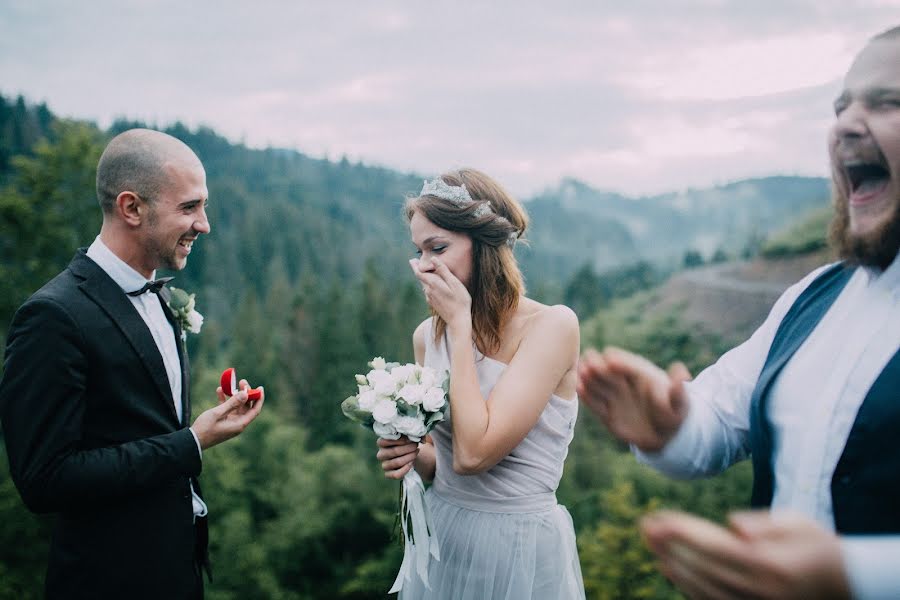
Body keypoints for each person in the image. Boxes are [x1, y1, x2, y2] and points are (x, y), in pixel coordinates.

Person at [577, 25, 900, 600]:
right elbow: (716, 420)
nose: (846, 124)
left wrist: (857, 578)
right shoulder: (812, 297)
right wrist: (669, 428)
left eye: (887, 103)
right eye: (842, 106)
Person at [0, 128, 264, 599]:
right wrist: (192, 442)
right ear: (131, 208)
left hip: (176, 571)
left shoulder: (162, 297)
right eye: (189, 207)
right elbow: (45, 480)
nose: (204, 224)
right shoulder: (53, 317)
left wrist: (202, 424)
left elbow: (138, 419)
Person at [375, 169, 585, 598]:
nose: (425, 266)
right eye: (418, 251)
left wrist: (459, 325)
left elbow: (474, 454)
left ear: (484, 245)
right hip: (444, 540)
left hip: (519, 552)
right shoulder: (425, 337)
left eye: (438, 248)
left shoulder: (551, 327)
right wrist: (412, 454)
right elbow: (447, 464)